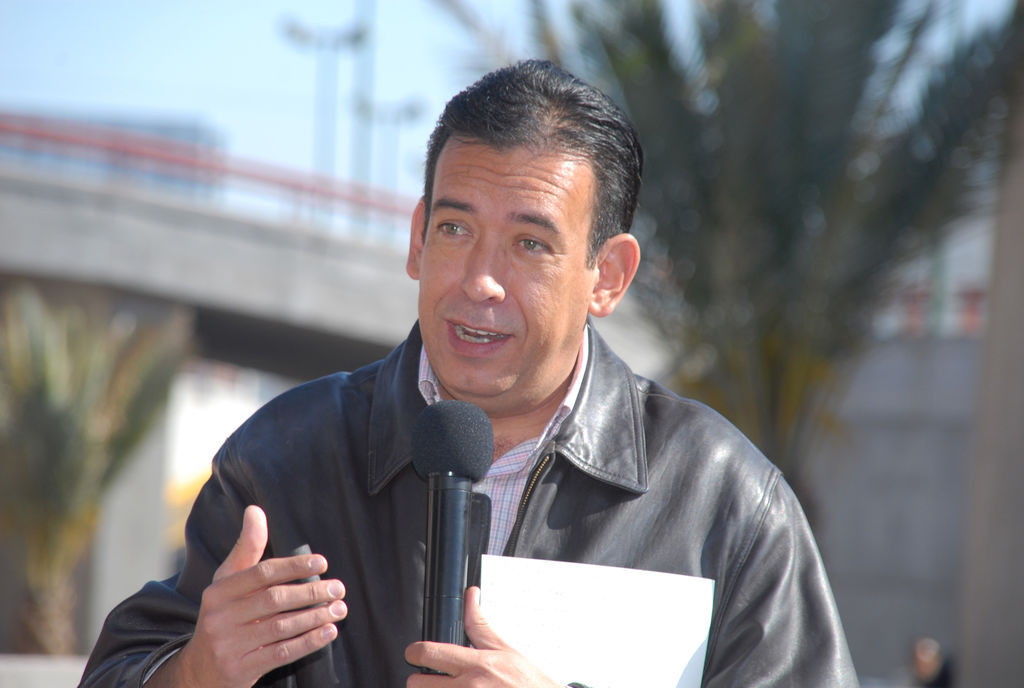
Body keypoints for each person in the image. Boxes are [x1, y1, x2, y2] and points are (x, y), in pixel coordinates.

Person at [79, 59, 857, 687]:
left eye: (530, 244)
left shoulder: (725, 501)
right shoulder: (280, 462)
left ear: (609, 276)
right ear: (417, 239)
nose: (480, 281)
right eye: (455, 229)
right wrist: (195, 674)